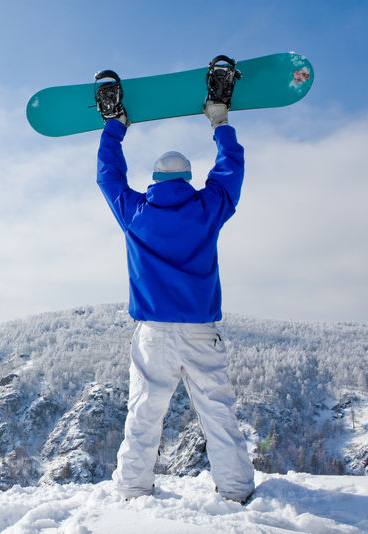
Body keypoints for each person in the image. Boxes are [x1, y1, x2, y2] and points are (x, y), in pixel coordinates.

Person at [96, 100, 255, 503]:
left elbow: (108, 176)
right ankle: (235, 489)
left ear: (154, 180)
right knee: (217, 412)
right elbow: (229, 170)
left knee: (145, 413)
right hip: (202, 331)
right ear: (187, 179)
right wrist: (220, 123)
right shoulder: (207, 208)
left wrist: (115, 128)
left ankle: (133, 486)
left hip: (153, 333)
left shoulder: (135, 213)